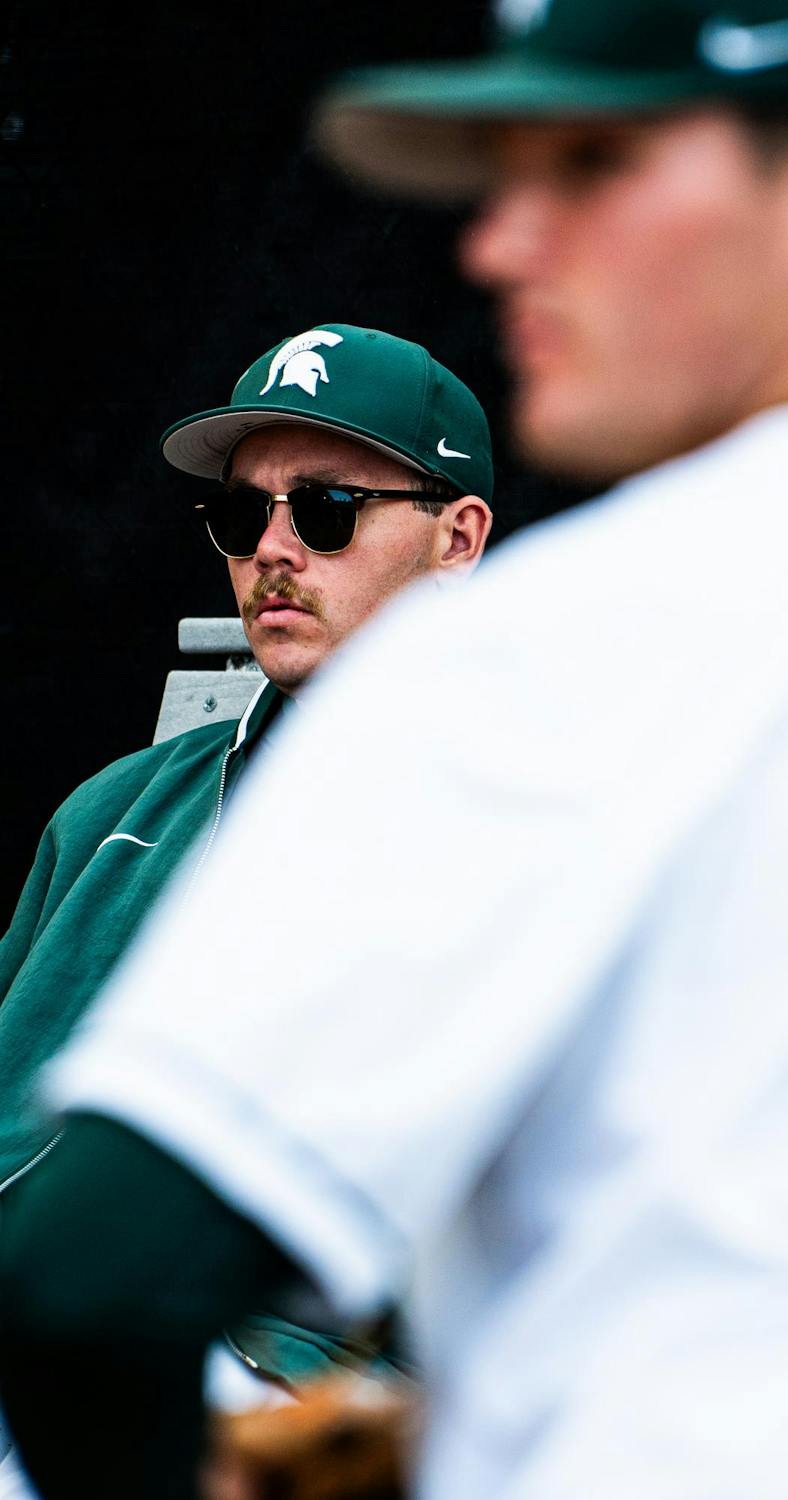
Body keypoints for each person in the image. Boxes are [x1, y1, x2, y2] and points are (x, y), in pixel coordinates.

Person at [4, 1, 788, 1496]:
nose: (500, 243)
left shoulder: (561, 640)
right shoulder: (132, 808)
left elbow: (84, 1286)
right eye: (241, 516)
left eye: (593, 164)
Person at [0, 323, 492, 1441]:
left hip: (290, 1400)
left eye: (325, 510)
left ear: (457, 534)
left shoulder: (545, 820)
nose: (273, 549)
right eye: (240, 514)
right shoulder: (119, 809)